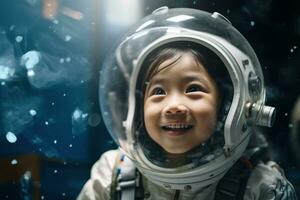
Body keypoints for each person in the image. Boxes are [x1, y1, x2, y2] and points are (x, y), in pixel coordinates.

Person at [77, 7, 297, 200]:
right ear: (138, 107)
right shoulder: (113, 175)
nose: (174, 105)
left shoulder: (260, 189)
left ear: (227, 107)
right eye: (159, 92)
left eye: (193, 89)